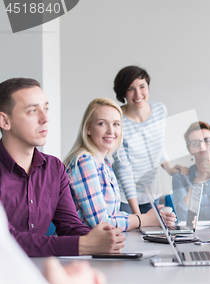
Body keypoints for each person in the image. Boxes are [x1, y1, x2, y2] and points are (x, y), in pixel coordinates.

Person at [0, 78, 125, 257]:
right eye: (33, 111)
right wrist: (83, 245)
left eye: (46, 109)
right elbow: (6, 241)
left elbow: (70, 226)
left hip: (40, 272)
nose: (45, 119)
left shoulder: (53, 167)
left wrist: (103, 238)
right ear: (4, 121)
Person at [64, 98, 176, 231]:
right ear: (88, 129)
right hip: (85, 248)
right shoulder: (84, 162)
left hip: (103, 244)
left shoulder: (104, 163)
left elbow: (113, 215)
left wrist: (148, 217)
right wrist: (144, 219)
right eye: (102, 124)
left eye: (116, 124)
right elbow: (101, 223)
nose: (111, 131)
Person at [112, 65, 186, 215]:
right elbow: (123, 167)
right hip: (125, 197)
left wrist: (170, 169)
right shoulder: (116, 117)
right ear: (123, 92)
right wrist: (137, 214)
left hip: (152, 193)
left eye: (142, 86)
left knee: (151, 236)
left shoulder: (160, 110)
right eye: (130, 88)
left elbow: (158, 146)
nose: (138, 94)